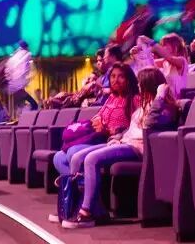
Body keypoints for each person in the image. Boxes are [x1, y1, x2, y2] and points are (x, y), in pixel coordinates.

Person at [61, 68, 178, 228]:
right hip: (125, 142)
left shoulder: (164, 108)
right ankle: (87, 208)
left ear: (150, 86)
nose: (138, 86)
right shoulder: (145, 106)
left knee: (91, 159)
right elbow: (131, 129)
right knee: (77, 157)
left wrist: (159, 96)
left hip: (137, 149)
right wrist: (117, 138)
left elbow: (148, 124)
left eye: (141, 83)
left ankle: (86, 212)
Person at [50, 63, 139, 184]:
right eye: (113, 76)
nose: (115, 80)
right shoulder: (111, 97)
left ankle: (81, 187)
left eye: (121, 76)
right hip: (97, 138)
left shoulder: (135, 99)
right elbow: (99, 115)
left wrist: (108, 130)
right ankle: (81, 185)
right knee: (58, 157)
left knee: (72, 152)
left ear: (129, 79)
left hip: (113, 142)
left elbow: (135, 128)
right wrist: (96, 121)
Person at [132, 33, 188, 99]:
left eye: (165, 45)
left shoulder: (181, 61)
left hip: (178, 99)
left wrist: (150, 41)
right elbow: (147, 66)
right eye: (162, 45)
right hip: (166, 99)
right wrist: (138, 53)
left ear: (175, 46)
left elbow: (169, 58)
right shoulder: (165, 62)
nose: (162, 47)